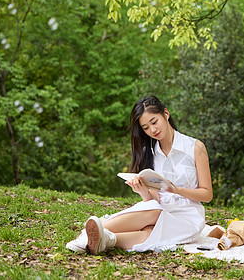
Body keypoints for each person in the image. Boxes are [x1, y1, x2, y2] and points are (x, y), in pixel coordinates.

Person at [66, 96, 213, 254]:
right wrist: (143, 191)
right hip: (157, 212)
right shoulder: (149, 154)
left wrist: (175, 190)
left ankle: (88, 236)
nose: (152, 130)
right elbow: (154, 200)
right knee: (149, 232)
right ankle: (106, 240)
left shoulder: (195, 147)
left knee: (155, 214)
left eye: (154, 122)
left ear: (166, 114)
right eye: (146, 128)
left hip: (187, 218)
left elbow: (207, 194)